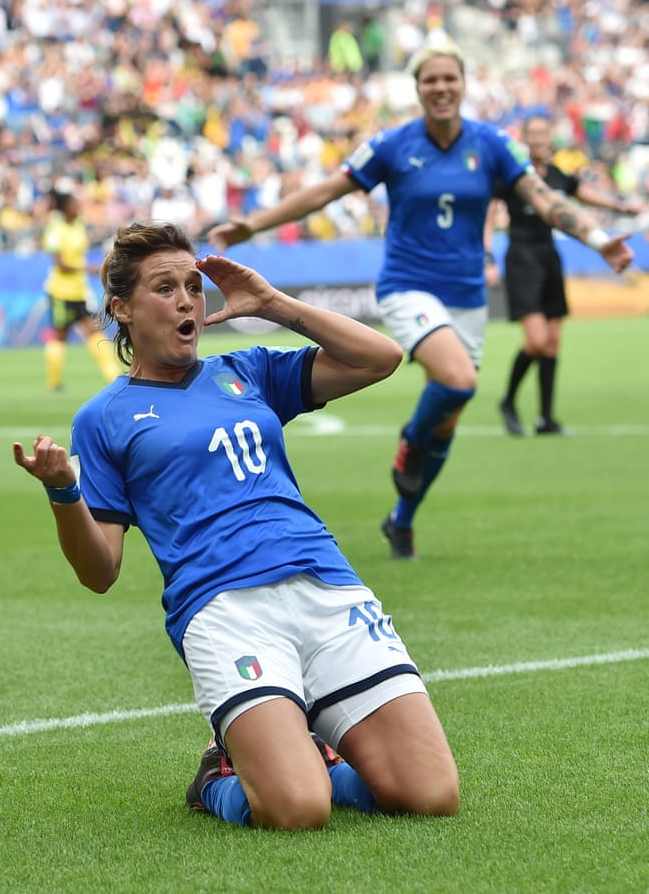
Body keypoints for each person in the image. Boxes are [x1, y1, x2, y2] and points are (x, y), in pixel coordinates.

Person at [14, 221, 460, 830]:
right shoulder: (104, 418)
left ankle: (315, 755)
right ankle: (217, 779)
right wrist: (63, 492)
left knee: (430, 794)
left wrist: (273, 304)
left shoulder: (248, 371)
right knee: (297, 809)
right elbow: (100, 571)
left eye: (193, 288)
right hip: (224, 609)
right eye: (164, 288)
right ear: (121, 309)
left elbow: (380, 358)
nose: (186, 301)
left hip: (326, 585)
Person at [208, 42, 634, 560]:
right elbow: (326, 191)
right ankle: (410, 439)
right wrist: (252, 224)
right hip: (409, 286)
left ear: (464, 84)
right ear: (417, 88)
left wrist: (597, 237)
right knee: (458, 381)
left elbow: (543, 197)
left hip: (468, 296)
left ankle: (402, 519)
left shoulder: (493, 144)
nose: (441, 87)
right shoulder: (392, 144)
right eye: (430, 79)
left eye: (449, 78)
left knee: (449, 417)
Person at [486, 114, 645, 436]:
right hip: (521, 258)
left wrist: (621, 207)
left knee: (552, 343)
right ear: (525, 139)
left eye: (544, 133)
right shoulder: (514, 175)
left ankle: (546, 419)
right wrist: (487, 257)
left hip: (549, 257)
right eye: (533, 133)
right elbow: (488, 215)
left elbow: (582, 193)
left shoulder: (558, 174)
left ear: (550, 138)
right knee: (536, 341)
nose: (539, 139)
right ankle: (509, 400)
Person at [41, 187, 121, 391]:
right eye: (73, 204)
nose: (77, 207)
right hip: (60, 292)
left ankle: (113, 377)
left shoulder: (78, 226)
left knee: (93, 331)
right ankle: (54, 382)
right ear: (64, 208)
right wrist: (86, 268)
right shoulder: (55, 230)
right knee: (60, 335)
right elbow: (60, 264)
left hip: (79, 291)